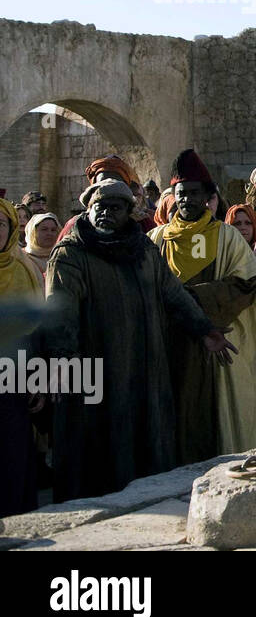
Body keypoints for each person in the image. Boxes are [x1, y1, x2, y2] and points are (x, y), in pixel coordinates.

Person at [39, 179, 234, 502]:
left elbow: (173, 294)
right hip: (97, 372)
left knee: (145, 449)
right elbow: (60, 316)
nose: (104, 213)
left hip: (145, 370)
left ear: (129, 212)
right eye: (98, 207)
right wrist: (61, 362)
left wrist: (205, 330)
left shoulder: (143, 249)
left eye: (114, 208)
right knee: (96, 456)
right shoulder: (71, 253)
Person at [151, 150, 256, 458]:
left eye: (194, 193)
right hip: (168, 341)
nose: (187, 200)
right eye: (181, 194)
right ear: (173, 197)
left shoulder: (227, 237)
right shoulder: (156, 240)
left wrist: (191, 299)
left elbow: (249, 283)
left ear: (208, 197)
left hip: (215, 338)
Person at [0, 197, 44, 517]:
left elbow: (39, 330)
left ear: (12, 229)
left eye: (0, 224)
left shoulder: (25, 269)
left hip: (13, 380)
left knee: (12, 457)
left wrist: (38, 379)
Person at [22, 211, 60, 279]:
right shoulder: (22, 258)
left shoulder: (61, 257)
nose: (49, 233)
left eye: (53, 230)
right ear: (34, 232)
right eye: (44, 229)